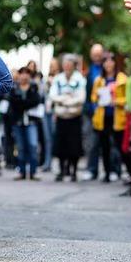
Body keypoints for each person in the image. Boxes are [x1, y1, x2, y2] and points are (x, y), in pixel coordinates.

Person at [90, 53, 128, 183]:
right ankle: (106, 173)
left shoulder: (122, 78)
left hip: (118, 116)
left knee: (120, 146)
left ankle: (124, 171)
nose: (108, 64)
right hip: (103, 117)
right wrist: (100, 97)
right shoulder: (99, 80)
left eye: (111, 61)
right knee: (104, 146)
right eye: (105, 62)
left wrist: (116, 101)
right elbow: (93, 97)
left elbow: (127, 98)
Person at [49, 54, 86, 182]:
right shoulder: (58, 79)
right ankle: (61, 170)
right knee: (60, 145)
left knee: (74, 146)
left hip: (74, 117)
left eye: (69, 64)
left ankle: (73, 171)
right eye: (65, 64)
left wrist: (63, 102)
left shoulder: (79, 79)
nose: (67, 67)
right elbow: (53, 96)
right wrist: (68, 100)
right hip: (61, 117)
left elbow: (81, 98)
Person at [9, 67, 41, 181]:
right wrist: (25, 103)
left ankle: (33, 171)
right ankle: (21, 171)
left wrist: (22, 103)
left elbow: (36, 100)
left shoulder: (33, 87)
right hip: (18, 121)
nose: (24, 76)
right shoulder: (14, 88)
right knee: (20, 147)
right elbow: (13, 103)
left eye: (27, 73)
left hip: (31, 121)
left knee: (32, 145)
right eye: (22, 73)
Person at [83, 44, 104, 180]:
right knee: (92, 142)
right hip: (92, 112)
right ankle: (92, 169)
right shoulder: (90, 71)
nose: (97, 57)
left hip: (107, 111)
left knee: (110, 142)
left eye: (99, 54)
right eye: (94, 54)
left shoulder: (108, 68)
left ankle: (113, 170)